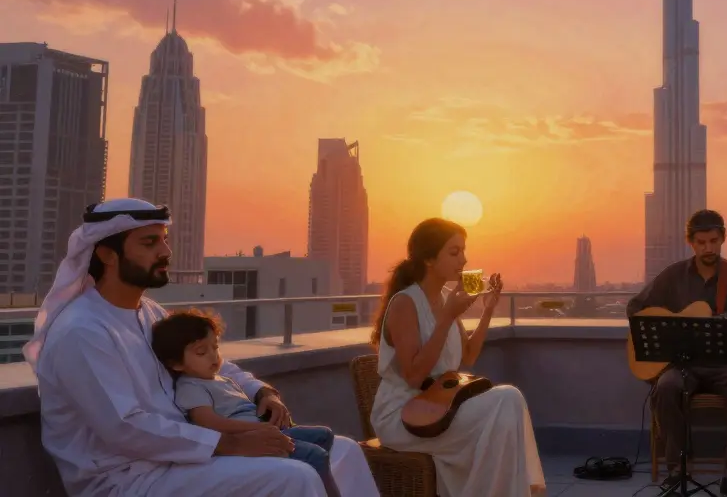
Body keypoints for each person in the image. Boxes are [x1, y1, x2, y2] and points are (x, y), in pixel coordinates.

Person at [24, 198, 378, 497]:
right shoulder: (82, 330)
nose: (166, 252)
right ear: (107, 254)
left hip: (185, 455)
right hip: (127, 478)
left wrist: (260, 392)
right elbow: (125, 429)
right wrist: (230, 444)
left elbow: (207, 361)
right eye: (149, 244)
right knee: (293, 475)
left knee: (341, 450)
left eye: (163, 240)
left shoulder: (149, 313)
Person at [369, 217, 546, 497]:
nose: (464, 260)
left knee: (508, 400)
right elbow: (414, 376)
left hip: (440, 407)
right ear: (429, 258)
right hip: (404, 414)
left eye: (464, 251)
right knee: (506, 402)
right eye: (454, 252)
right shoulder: (405, 303)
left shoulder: (445, 296)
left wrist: (487, 309)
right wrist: (447, 317)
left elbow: (470, 355)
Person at [626, 209, 727, 497]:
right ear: (691, 242)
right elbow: (635, 309)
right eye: (701, 242)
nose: (708, 248)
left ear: (723, 238)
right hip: (680, 364)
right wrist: (669, 325)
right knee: (665, 387)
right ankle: (677, 471)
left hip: (725, 363)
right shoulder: (672, 275)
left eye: (714, 241)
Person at [152, 308, 341, 497]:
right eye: (201, 352)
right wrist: (251, 430)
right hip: (250, 437)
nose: (213, 356)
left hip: (263, 429)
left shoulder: (221, 379)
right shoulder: (191, 387)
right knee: (316, 455)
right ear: (176, 364)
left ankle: (314, 480)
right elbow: (208, 422)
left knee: (324, 435)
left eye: (215, 347)